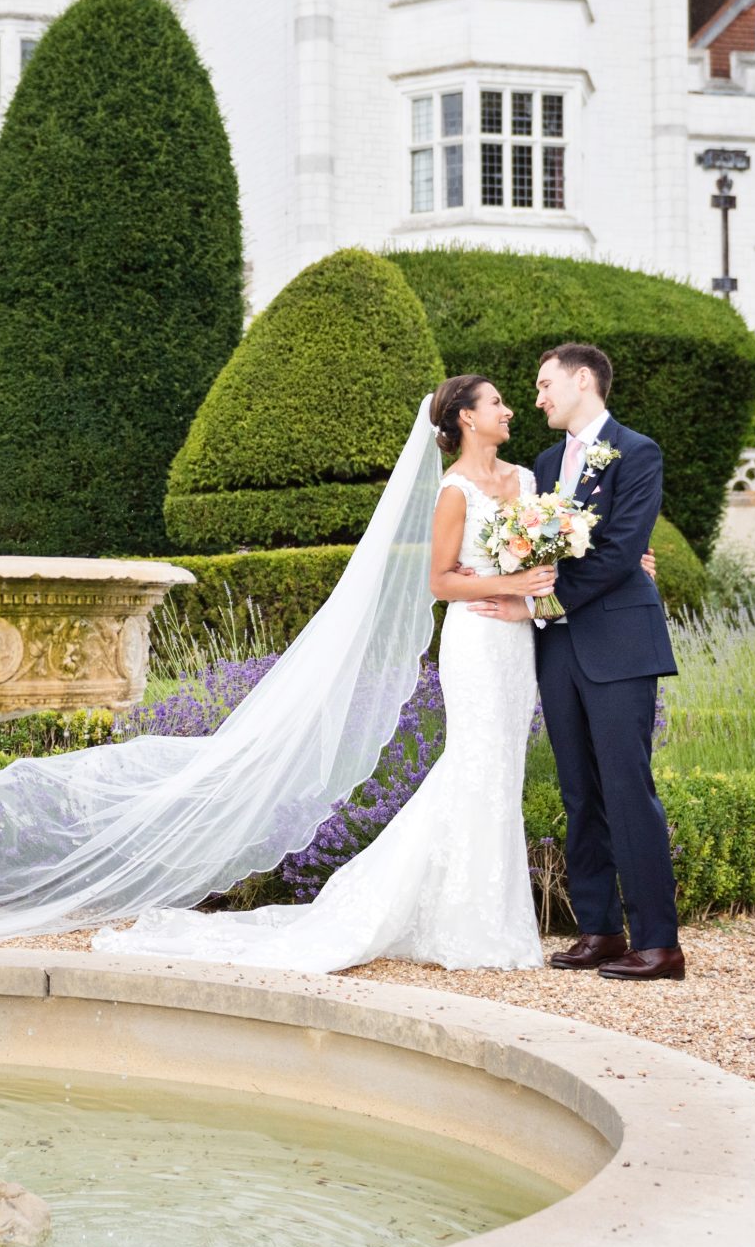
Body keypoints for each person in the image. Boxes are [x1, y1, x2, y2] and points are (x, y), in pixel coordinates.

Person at [90, 375, 550, 971]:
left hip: (517, 641)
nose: (508, 410)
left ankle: (482, 915)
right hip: (477, 640)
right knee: (477, 763)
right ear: (465, 418)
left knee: (501, 765)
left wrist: (539, 592)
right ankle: (470, 923)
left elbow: (548, 560)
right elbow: (439, 581)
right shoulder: (455, 490)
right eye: (495, 403)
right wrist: (510, 583)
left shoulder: (529, 481)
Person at [525, 343, 685, 981]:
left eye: (544, 385)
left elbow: (622, 551)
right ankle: (599, 929)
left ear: (582, 379)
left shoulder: (637, 452)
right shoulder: (541, 464)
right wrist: (526, 593)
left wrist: (549, 601)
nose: (537, 398)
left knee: (626, 788)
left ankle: (660, 943)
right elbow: (527, 544)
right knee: (579, 791)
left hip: (617, 643)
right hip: (559, 648)